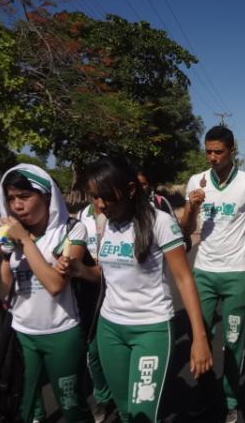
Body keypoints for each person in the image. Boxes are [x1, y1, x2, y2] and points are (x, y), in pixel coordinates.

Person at [85, 157, 212, 423]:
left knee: (143, 414)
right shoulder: (106, 223)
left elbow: (184, 279)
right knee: (125, 412)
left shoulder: (161, 222)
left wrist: (199, 338)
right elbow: (105, 274)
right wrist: (76, 270)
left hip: (151, 330)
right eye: (95, 197)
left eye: (106, 197)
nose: (99, 204)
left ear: (130, 189)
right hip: (110, 330)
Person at [0, 164, 94, 422]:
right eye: (11, 198)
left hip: (61, 332)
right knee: (22, 405)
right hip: (21, 333)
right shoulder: (9, 236)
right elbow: (1, 292)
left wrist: (25, 241)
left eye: (25, 197)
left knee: (71, 405)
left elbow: (56, 285)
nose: (17, 205)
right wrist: (3, 255)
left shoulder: (71, 229)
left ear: (47, 197)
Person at [180, 125, 245, 423]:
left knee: (233, 341)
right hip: (203, 272)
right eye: (208, 151)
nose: (212, 157)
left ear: (232, 151)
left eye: (218, 151)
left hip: (237, 273)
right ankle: (205, 393)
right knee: (200, 335)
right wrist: (191, 206)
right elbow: (185, 228)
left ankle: (231, 397)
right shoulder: (196, 181)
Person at [76, 196, 112, 422]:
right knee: (93, 350)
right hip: (90, 288)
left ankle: (122, 393)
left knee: (114, 346)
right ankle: (103, 396)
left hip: (118, 288)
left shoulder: (120, 213)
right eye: (95, 194)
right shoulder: (80, 218)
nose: (101, 200)